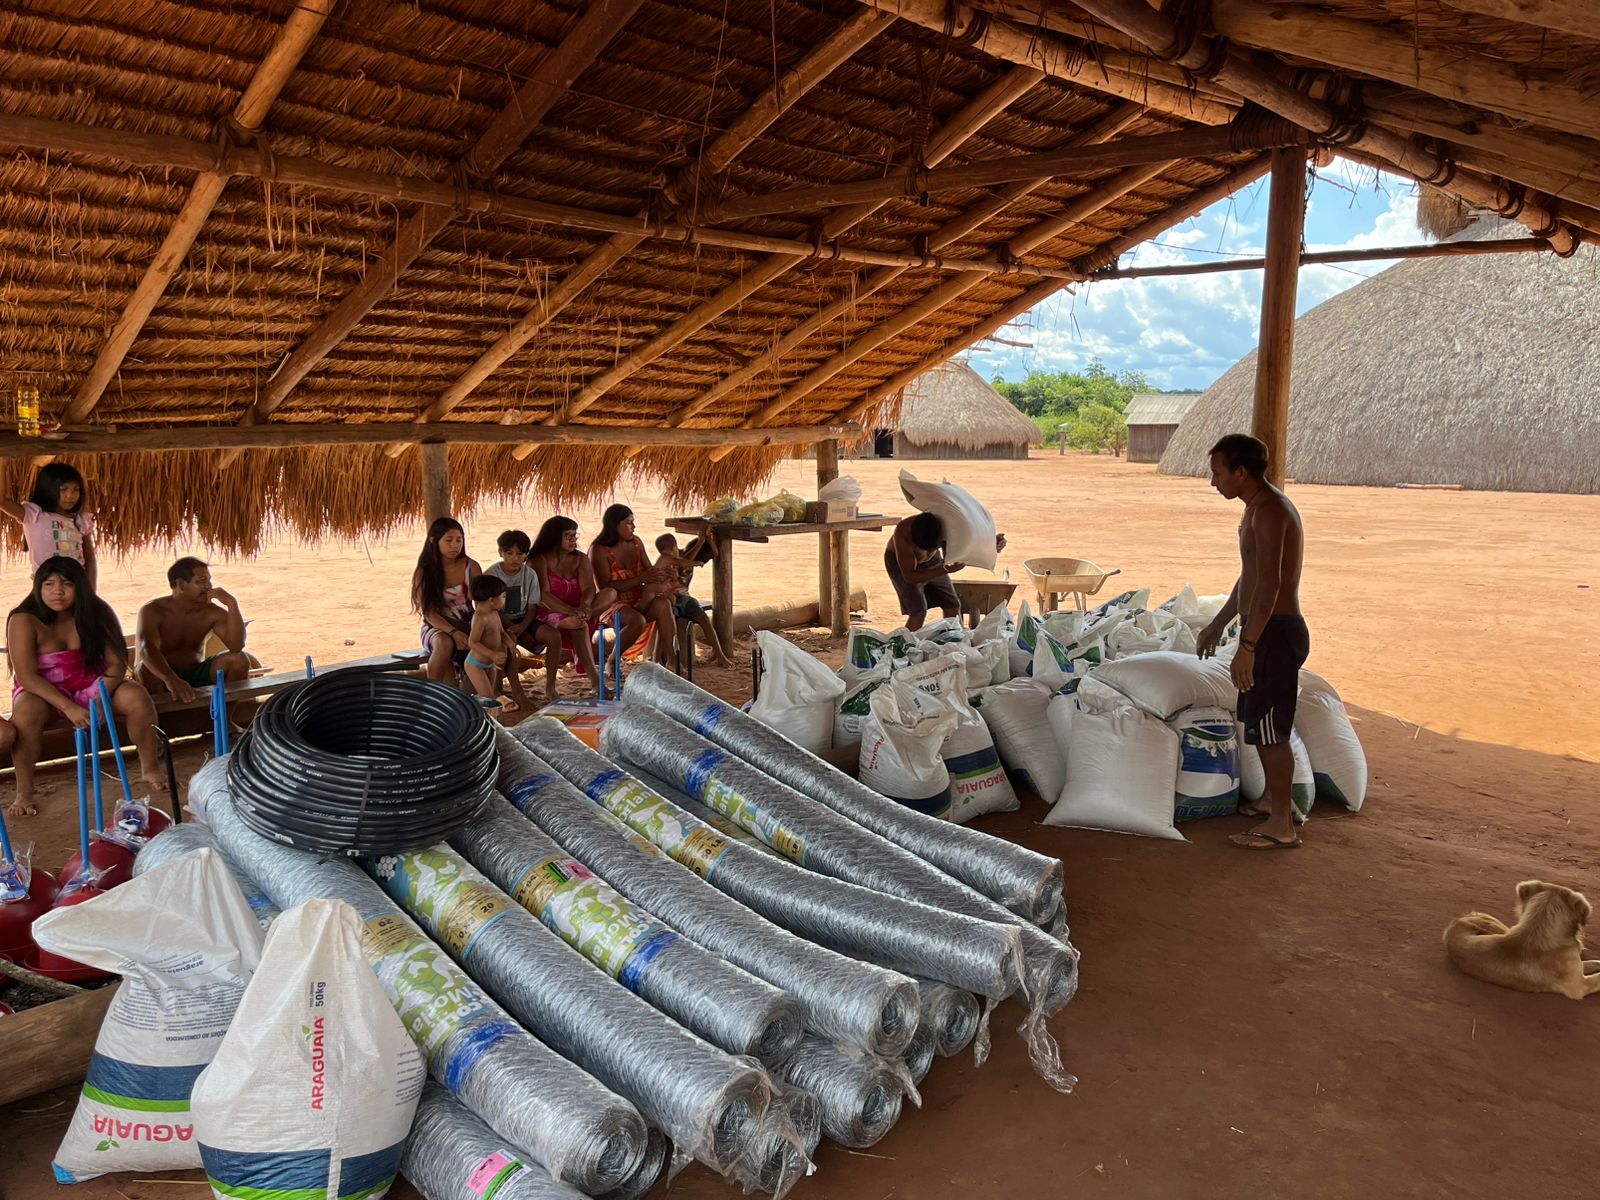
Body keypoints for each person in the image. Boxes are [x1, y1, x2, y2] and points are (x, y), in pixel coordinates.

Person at [1196, 433, 1309, 852]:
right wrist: (1219, 623)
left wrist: (1249, 646)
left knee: (1271, 731)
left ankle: (1283, 825)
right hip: (1265, 629)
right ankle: (1273, 802)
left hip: (1275, 632)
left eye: (1218, 473)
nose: (1214, 482)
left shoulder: (1272, 512)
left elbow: (1270, 585)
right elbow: (1249, 576)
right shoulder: (1256, 509)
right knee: (1261, 726)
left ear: (1241, 473)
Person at [7, 556, 165, 817]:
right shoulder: (24, 618)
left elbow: (116, 663)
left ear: (79, 586)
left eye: (67, 584)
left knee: (137, 696)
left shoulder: (97, 612)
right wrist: (68, 706)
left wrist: (101, 696)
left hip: (92, 683)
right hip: (43, 690)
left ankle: (150, 768)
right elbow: (26, 676)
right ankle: (24, 792)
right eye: (49, 584)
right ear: (38, 587)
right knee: (26, 713)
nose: (57, 591)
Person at [135, 557, 251, 703]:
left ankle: (223, 715)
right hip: (161, 675)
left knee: (239, 660)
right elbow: (147, 648)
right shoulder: (153, 610)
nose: (209, 586)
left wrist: (232, 604)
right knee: (145, 669)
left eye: (209, 580)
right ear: (181, 584)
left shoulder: (211, 612)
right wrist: (170, 679)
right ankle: (160, 718)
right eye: (201, 581)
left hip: (194, 672)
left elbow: (237, 646)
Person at [885, 512, 1007, 632]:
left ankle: (955, 637)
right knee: (918, 611)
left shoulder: (947, 524)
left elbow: (970, 539)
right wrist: (943, 569)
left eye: (935, 547)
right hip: (902, 565)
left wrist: (991, 544)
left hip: (934, 561)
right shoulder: (903, 534)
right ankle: (906, 642)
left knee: (952, 604)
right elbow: (910, 577)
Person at [589, 504, 676, 667]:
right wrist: (640, 579)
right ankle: (613, 660)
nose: (634, 526)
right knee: (637, 620)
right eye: (629, 523)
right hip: (612, 604)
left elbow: (649, 571)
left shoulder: (636, 543)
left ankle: (671, 659)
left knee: (664, 604)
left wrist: (664, 574)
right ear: (615, 525)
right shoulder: (598, 550)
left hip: (639, 599)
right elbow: (605, 587)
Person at [485, 529, 564, 705]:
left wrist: (522, 627)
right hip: (498, 621)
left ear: (526, 555)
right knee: (510, 641)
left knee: (553, 636)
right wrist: (512, 628)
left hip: (524, 619)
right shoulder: (491, 575)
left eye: (520, 554)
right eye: (509, 553)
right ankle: (516, 689)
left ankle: (550, 686)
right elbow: (489, 610)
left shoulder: (530, 574)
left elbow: (532, 608)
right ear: (500, 552)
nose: (515, 558)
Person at [530, 516, 608, 693]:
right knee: (578, 624)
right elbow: (544, 595)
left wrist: (584, 606)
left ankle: (585, 616)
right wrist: (572, 611)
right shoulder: (539, 560)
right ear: (554, 537)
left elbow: (589, 587)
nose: (573, 539)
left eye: (575, 535)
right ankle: (595, 681)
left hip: (579, 608)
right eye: (568, 535)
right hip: (551, 610)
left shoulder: (580, 558)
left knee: (609, 593)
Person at [1, 463, 97, 587]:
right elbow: (2, 501)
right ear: (48, 488)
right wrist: (2, 461)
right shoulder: (34, 515)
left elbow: (90, 560)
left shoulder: (80, 520)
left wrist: (91, 593)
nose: (70, 495)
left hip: (77, 586)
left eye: (76, 489)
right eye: (63, 489)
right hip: (47, 587)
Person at [412, 517, 480, 683]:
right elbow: (429, 613)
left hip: (468, 623)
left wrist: (479, 629)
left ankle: (492, 689)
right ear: (433, 541)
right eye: (448, 540)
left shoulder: (470, 567)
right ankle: (433, 691)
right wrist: (454, 632)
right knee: (443, 643)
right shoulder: (424, 572)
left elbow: (482, 603)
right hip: (437, 626)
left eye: (459, 540)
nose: (454, 545)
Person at [653, 532, 734, 669]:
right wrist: (701, 541)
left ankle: (720, 655)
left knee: (705, 620)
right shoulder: (670, 559)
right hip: (669, 599)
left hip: (685, 598)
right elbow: (686, 560)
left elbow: (714, 553)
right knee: (664, 622)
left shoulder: (684, 558)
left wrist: (707, 539)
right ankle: (656, 657)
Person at [463, 575, 517, 714]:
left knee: (490, 696)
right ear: (492, 600)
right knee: (488, 698)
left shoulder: (494, 613)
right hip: (475, 664)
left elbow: (501, 632)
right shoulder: (480, 617)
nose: (505, 600)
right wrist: (492, 654)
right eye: (503, 596)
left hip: (489, 664)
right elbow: (473, 642)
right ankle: (487, 720)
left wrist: (510, 644)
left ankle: (486, 716)